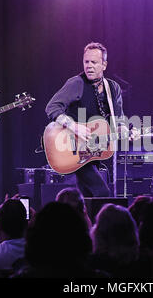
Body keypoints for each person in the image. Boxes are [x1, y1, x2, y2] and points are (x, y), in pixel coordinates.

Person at [45, 42, 126, 197]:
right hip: (73, 150)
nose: (89, 66)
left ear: (104, 65)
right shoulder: (76, 83)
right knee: (102, 192)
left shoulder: (113, 88)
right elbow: (52, 107)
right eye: (86, 62)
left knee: (87, 197)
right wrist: (73, 126)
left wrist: (126, 130)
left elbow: (119, 120)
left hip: (94, 152)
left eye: (94, 62)